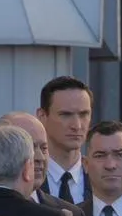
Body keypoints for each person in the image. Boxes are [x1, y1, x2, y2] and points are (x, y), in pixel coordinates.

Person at [38, 75, 94, 204]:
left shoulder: (100, 178)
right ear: (42, 116)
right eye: (65, 115)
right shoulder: (27, 179)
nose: (77, 126)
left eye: (84, 114)